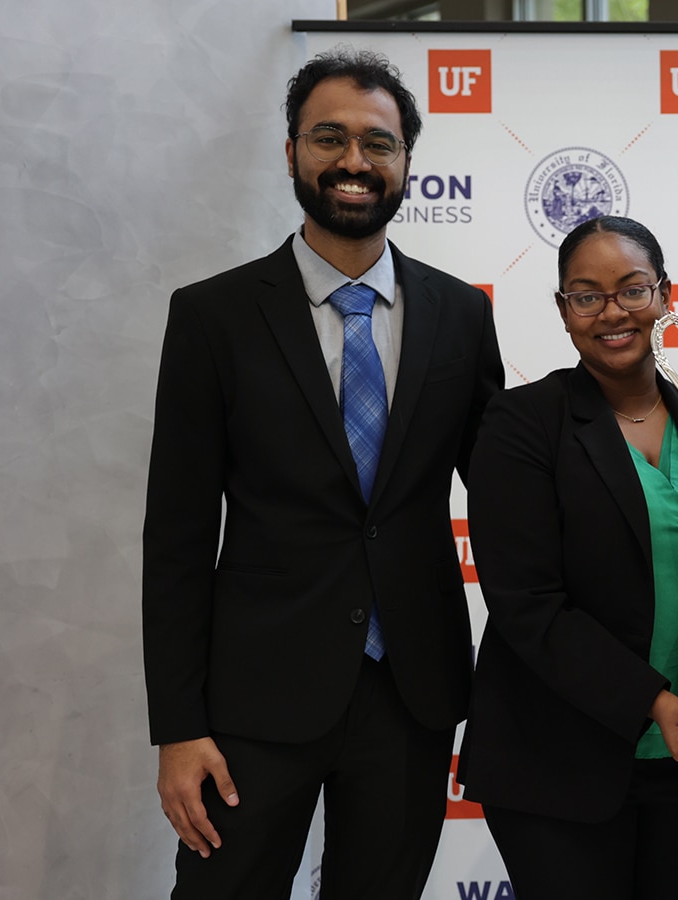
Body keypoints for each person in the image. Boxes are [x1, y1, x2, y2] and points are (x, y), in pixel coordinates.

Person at [142, 48, 503, 897]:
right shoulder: (212, 316)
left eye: (378, 143)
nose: (353, 161)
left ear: (407, 161)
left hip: (411, 693)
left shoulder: (461, 314)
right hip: (251, 707)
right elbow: (178, 538)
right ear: (293, 153)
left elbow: (506, 492)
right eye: (329, 138)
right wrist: (178, 726)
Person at [457, 216, 678, 899]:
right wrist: (650, 700)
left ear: (665, 295)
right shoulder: (521, 423)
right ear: (564, 312)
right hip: (559, 767)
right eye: (586, 295)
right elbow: (528, 602)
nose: (611, 312)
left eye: (631, 289)